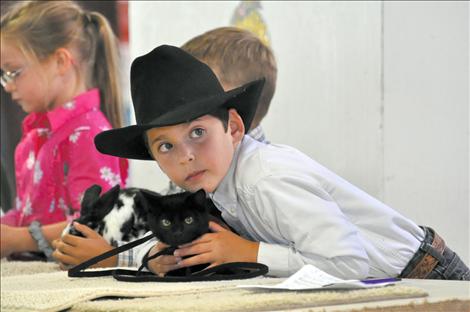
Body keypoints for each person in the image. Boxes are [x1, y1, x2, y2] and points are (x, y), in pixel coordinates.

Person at [95, 44, 469, 280]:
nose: (185, 156)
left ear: (235, 127)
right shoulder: (216, 183)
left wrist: (249, 253)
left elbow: (347, 262)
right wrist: (163, 257)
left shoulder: (263, 179)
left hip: (427, 277)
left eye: (197, 133)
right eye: (165, 147)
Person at [51, 26, 277, 269]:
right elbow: (165, 229)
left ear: (231, 121)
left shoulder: (265, 182)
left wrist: (114, 257)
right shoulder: (194, 167)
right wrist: (137, 255)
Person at [0, 0, 128, 263]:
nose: (8, 86)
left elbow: (97, 224)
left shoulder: (89, 134)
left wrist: (17, 238)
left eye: (13, 72)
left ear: (60, 61)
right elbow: (28, 214)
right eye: (4, 75)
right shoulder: (35, 136)